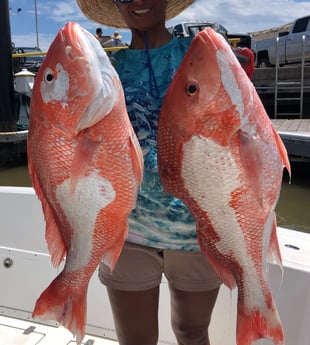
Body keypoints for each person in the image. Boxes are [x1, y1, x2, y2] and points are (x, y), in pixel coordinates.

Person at [76, 1, 223, 344]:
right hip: (127, 234)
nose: (138, 1)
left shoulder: (200, 55)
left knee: (192, 331)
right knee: (135, 340)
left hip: (196, 230)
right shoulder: (104, 73)